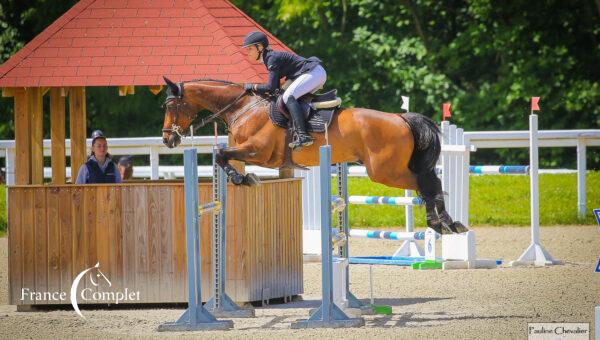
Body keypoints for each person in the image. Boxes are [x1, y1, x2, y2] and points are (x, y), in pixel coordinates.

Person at [242, 31, 327, 150]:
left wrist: (252, 87)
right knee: (286, 95)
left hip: (313, 73)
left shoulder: (271, 58)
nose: (248, 53)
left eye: (250, 49)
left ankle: (303, 135)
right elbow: (275, 89)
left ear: (260, 47)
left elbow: (271, 87)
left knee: (288, 97)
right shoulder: (269, 58)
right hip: (312, 73)